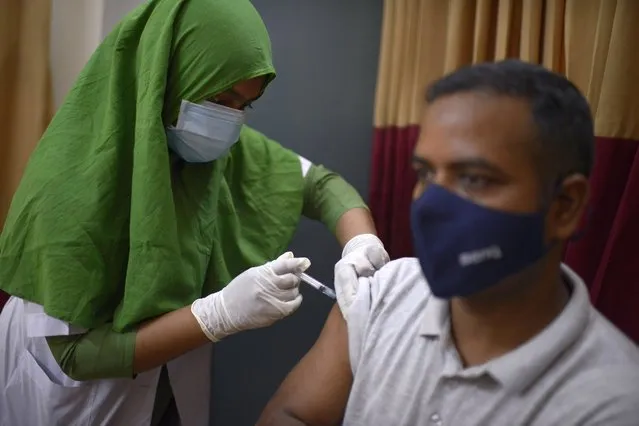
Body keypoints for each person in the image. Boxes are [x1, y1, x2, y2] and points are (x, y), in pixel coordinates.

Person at [0, 1, 388, 425]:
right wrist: (216, 314)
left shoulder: (216, 152)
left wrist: (360, 242)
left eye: (246, 105)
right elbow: (73, 354)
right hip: (80, 399)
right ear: (167, 76)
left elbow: (321, 185)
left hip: (170, 388)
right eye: (220, 99)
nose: (230, 121)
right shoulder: (68, 189)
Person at [257, 60, 639, 426]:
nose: (432, 206)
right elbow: (292, 415)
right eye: (425, 173)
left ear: (564, 206)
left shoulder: (612, 404)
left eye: (473, 178)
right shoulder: (385, 294)